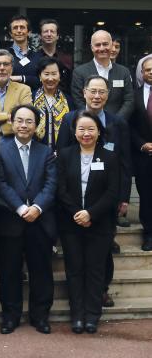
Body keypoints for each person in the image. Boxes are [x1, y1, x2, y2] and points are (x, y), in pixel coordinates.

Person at [58, 75, 132, 307]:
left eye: (102, 92)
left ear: (107, 95)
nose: (97, 96)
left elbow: (125, 162)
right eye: (93, 91)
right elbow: (61, 155)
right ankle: (80, 298)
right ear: (84, 93)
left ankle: (101, 290)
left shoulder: (117, 122)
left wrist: (123, 197)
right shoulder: (70, 119)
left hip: (105, 199)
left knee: (104, 249)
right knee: (77, 253)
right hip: (74, 199)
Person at [57, 111, 120, 334]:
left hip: (100, 223)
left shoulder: (110, 156)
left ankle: (93, 315)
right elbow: (60, 189)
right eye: (81, 129)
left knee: (95, 270)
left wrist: (90, 214)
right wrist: (77, 213)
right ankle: (77, 316)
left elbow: (113, 192)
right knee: (74, 270)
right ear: (74, 132)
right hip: (70, 222)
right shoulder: (64, 155)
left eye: (91, 129)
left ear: (99, 132)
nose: (86, 133)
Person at [0, 104, 56, 335]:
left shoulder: (46, 152)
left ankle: (40, 316)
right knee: (9, 271)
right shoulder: (1, 149)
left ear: (36, 125)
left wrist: (38, 207)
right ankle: (10, 317)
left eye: (29, 121)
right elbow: (0, 183)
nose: (23, 125)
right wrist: (21, 208)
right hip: (11, 220)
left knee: (41, 270)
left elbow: (51, 184)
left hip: (39, 221)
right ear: (11, 122)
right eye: (19, 120)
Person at [71, 30, 134, 120]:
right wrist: (93, 121)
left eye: (105, 44)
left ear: (111, 45)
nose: (101, 48)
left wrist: (116, 121)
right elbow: (78, 101)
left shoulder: (124, 72)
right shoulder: (79, 72)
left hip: (117, 127)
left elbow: (129, 100)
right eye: (97, 45)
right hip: (90, 127)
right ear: (92, 47)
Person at [129, 56, 152, 251]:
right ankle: (149, 234)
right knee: (146, 196)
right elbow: (129, 125)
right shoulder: (134, 95)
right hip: (144, 155)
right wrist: (142, 144)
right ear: (141, 73)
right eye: (147, 70)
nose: (151, 72)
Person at [33, 57, 73, 150]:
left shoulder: (69, 100)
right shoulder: (30, 98)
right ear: (40, 76)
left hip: (62, 153)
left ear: (59, 76)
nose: (50, 78)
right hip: (36, 152)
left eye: (54, 74)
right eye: (46, 74)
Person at [38, 19, 72, 95]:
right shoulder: (34, 58)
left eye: (52, 31)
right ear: (40, 36)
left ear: (57, 36)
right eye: (46, 31)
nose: (49, 34)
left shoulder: (66, 59)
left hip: (63, 102)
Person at [7, 15, 42, 90]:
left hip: (33, 99)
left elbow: (42, 81)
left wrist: (21, 78)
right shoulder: (4, 56)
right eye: (15, 28)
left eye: (22, 27)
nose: (19, 31)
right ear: (10, 33)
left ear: (29, 32)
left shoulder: (38, 57)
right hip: (10, 100)